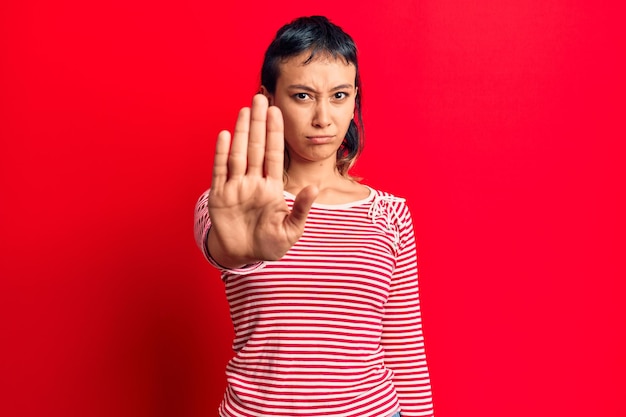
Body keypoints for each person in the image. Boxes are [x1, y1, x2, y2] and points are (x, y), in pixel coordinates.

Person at [194, 15, 434, 417]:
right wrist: (238, 251)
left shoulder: (391, 213)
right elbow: (225, 246)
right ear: (269, 99)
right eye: (303, 96)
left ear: (354, 98)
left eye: (339, 96)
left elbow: (405, 347)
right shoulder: (233, 203)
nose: (323, 118)